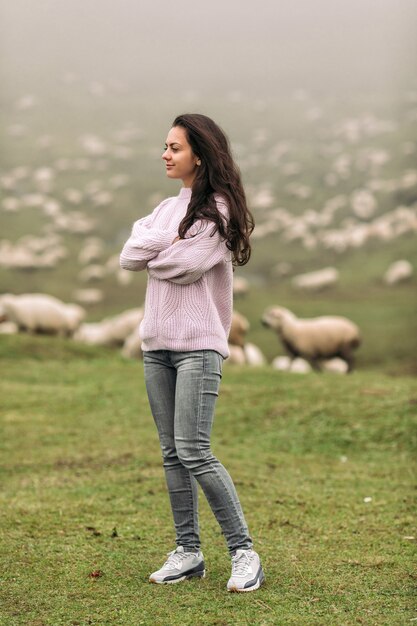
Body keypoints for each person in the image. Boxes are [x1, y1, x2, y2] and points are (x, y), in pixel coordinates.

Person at [120, 113, 264, 593]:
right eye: (165, 146)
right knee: (170, 454)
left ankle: (244, 553)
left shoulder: (219, 211)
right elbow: (129, 255)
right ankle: (188, 552)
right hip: (156, 345)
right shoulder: (166, 209)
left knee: (195, 451)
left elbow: (182, 267)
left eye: (174, 148)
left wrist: (161, 247)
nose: (165, 154)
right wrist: (170, 237)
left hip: (199, 347)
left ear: (198, 155)